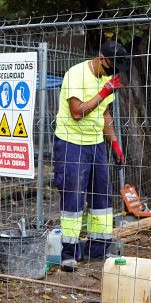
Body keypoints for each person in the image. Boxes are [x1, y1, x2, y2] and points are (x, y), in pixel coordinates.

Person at [52, 39, 130, 271]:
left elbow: (105, 114)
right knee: (73, 199)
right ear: (101, 58)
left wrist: (114, 142)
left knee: (102, 199)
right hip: (71, 143)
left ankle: (99, 248)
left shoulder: (107, 78)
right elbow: (77, 112)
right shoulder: (76, 74)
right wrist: (103, 91)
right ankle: (70, 253)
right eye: (112, 65)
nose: (114, 71)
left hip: (96, 144)